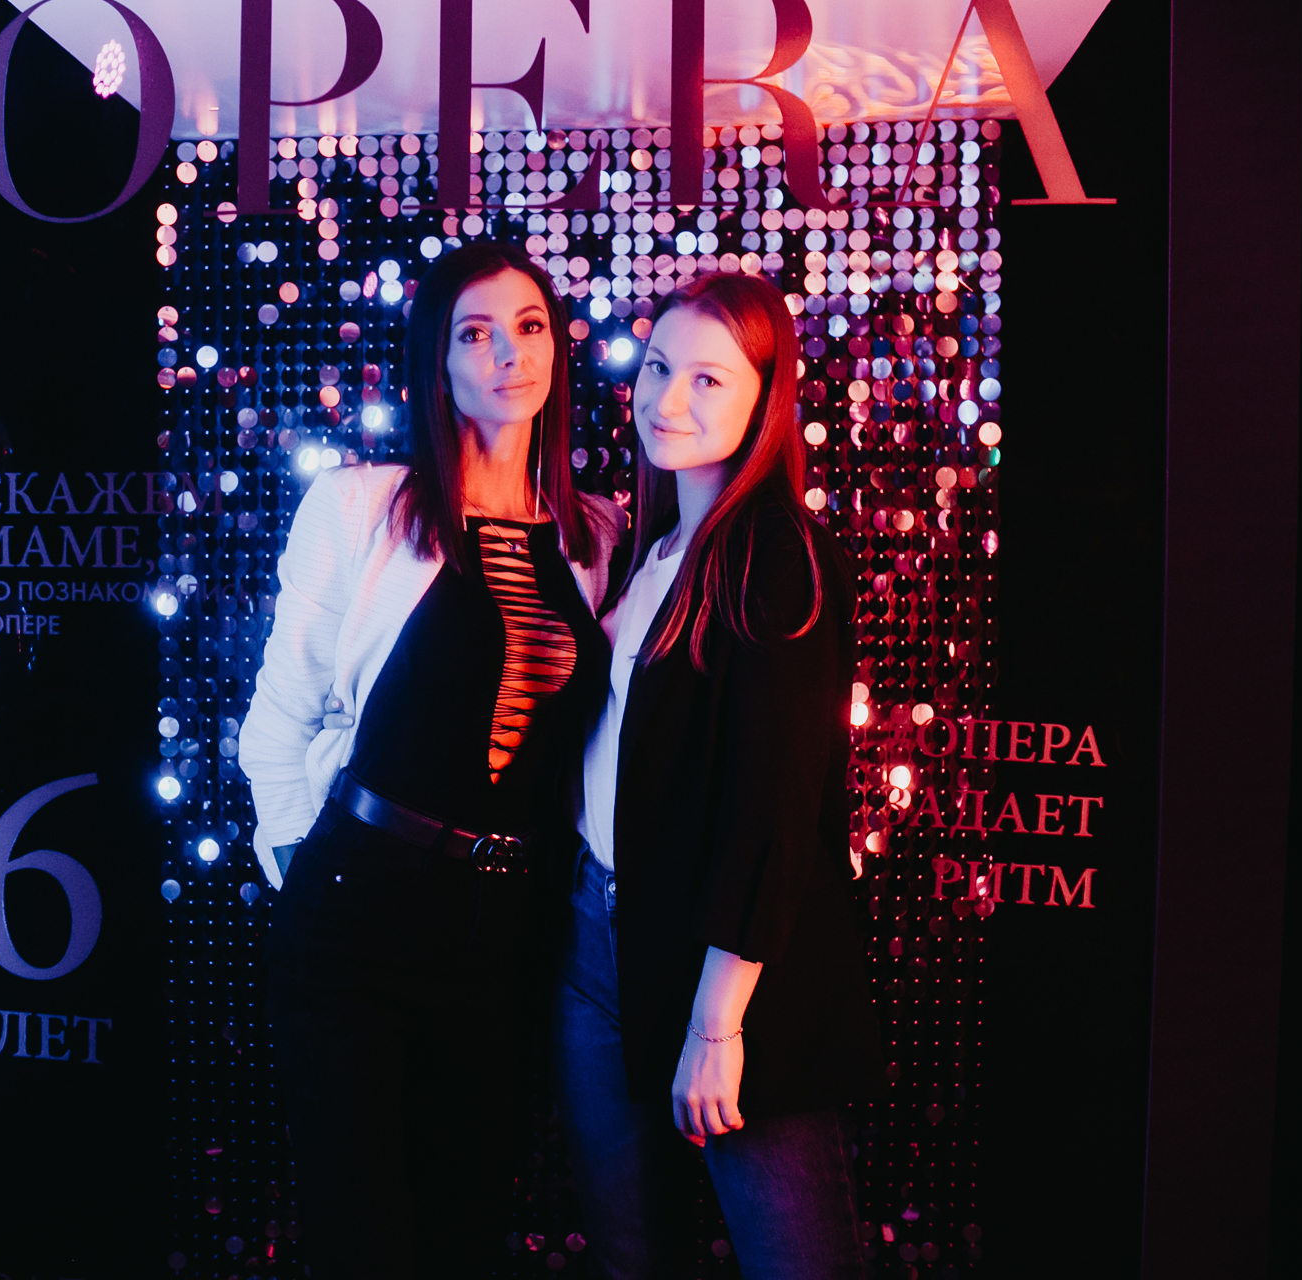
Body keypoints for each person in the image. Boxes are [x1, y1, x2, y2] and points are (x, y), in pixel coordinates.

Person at [238, 240, 628, 1280]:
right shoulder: (363, 506)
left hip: (508, 933)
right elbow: (276, 722)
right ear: (438, 361)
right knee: (366, 1242)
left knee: (462, 1234)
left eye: (529, 327)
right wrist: (307, 874)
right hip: (357, 916)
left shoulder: (594, 535)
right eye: (475, 333)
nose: (509, 354)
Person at [552, 274, 883, 1279]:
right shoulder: (646, 552)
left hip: (732, 966)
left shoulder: (781, 556)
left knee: (797, 1263)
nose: (667, 399)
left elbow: (774, 810)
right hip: (598, 941)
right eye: (658, 368)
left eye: (708, 379)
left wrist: (716, 1023)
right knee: (630, 1256)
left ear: (763, 400)